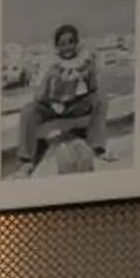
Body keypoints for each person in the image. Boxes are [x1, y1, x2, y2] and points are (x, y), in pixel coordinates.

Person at [24, 21, 105, 174]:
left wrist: (91, 71)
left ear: (76, 43)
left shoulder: (83, 62)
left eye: (70, 42)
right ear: (57, 46)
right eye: (62, 43)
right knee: (28, 111)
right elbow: (38, 96)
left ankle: (97, 147)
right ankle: (26, 159)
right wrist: (50, 78)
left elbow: (93, 90)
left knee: (100, 99)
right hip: (52, 106)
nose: (67, 47)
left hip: (74, 105)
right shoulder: (50, 64)